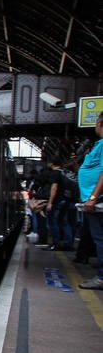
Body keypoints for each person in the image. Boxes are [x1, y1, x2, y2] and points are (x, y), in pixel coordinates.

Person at [77, 112, 103, 289]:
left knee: (100, 238)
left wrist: (93, 198)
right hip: (95, 199)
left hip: (98, 200)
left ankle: (102, 277)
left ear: (100, 123)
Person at [43, 155, 77, 251]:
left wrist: (50, 202)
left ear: (51, 163)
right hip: (66, 200)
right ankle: (68, 244)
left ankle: (56, 244)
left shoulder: (55, 173)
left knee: (52, 223)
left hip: (57, 201)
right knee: (64, 222)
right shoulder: (65, 172)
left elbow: (54, 188)